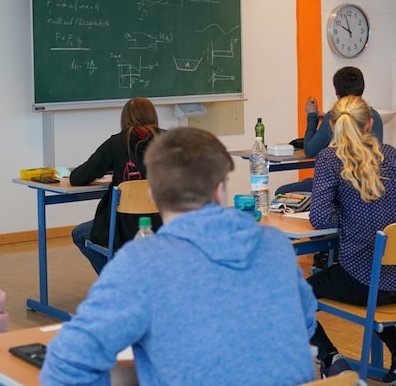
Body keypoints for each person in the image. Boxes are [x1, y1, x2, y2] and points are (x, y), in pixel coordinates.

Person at [41, 127, 317, 386]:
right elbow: (305, 322)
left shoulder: (142, 262)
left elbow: (65, 364)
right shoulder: (275, 245)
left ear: (152, 195)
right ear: (220, 191)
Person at [308, 95, 396, 381]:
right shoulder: (391, 155)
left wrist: (347, 219)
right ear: (370, 124)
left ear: (332, 125)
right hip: (395, 277)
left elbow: (320, 219)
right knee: (377, 291)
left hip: (362, 279)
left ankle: (331, 357)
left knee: (291, 293)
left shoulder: (330, 159)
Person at [69, 97, 162, 274]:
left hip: (123, 229)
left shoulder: (116, 143)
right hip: (164, 227)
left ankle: (116, 282)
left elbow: (78, 177)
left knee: (79, 234)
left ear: (124, 119)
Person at [276, 66, 383, 195]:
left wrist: (312, 116)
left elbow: (310, 150)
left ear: (336, 91)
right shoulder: (375, 116)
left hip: (339, 185)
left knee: (281, 192)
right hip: (370, 182)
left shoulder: (333, 118)